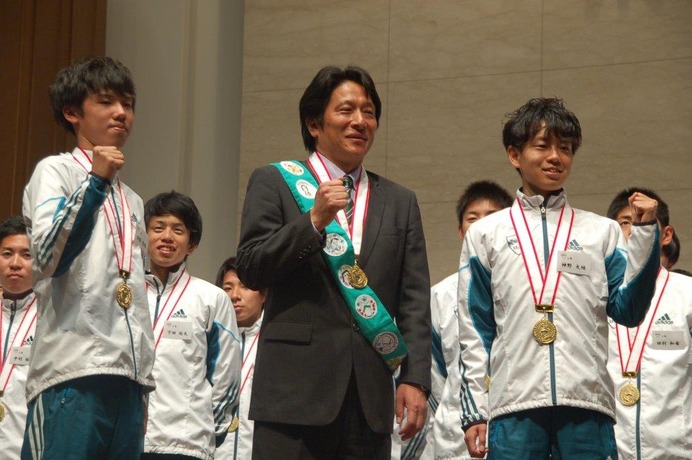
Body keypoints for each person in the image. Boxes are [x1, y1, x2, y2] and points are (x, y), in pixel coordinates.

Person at [236, 65, 431, 459]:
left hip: (369, 397)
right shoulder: (274, 181)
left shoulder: (399, 201)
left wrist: (415, 379)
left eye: (369, 111)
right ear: (314, 123)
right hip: (293, 395)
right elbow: (252, 267)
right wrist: (313, 222)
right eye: (346, 110)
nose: (360, 121)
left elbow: (414, 299)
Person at [456, 97, 661, 459]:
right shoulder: (486, 234)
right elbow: (475, 328)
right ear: (514, 155)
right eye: (542, 145)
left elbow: (628, 310)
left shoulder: (603, 232)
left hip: (586, 403)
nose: (556, 157)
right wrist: (475, 409)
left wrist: (644, 233)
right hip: (513, 404)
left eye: (565, 149)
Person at [21, 56, 155, 459]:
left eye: (128, 104)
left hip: (128, 379)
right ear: (72, 112)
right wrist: (95, 183)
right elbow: (47, 258)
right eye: (107, 102)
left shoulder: (131, 198)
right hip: (71, 372)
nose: (122, 113)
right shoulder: (55, 171)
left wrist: (143, 379)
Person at [391, 181, 512, 460]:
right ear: (460, 232)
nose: (482, 225)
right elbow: (432, 375)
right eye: (472, 218)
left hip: (517, 426)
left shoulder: (532, 290)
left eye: (493, 216)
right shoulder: (438, 297)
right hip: (457, 434)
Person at [142, 191, 241, 459]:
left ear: (192, 243)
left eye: (178, 229)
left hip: (187, 444)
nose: (167, 236)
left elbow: (227, 376)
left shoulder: (212, 298)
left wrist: (209, 430)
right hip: (128, 440)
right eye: (158, 228)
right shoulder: (126, 294)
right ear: (144, 236)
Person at [606, 187, 691, 459]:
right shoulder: (596, 295)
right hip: (610, 447)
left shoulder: (688, 293)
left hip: (676, 449)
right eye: (626, 223)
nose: (635, 231)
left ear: (665, 235)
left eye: (645, 223)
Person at [214, 256, 267, 460]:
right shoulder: (210, 340)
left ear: (264, 294)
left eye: (245, 287)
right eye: (227, 288)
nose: (235, 295)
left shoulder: (274, 345)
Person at [0, 216, 38, 459]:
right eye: (6, 254)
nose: (15, 263)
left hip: (26, 450)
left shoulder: (54, 319)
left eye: (26, 255)